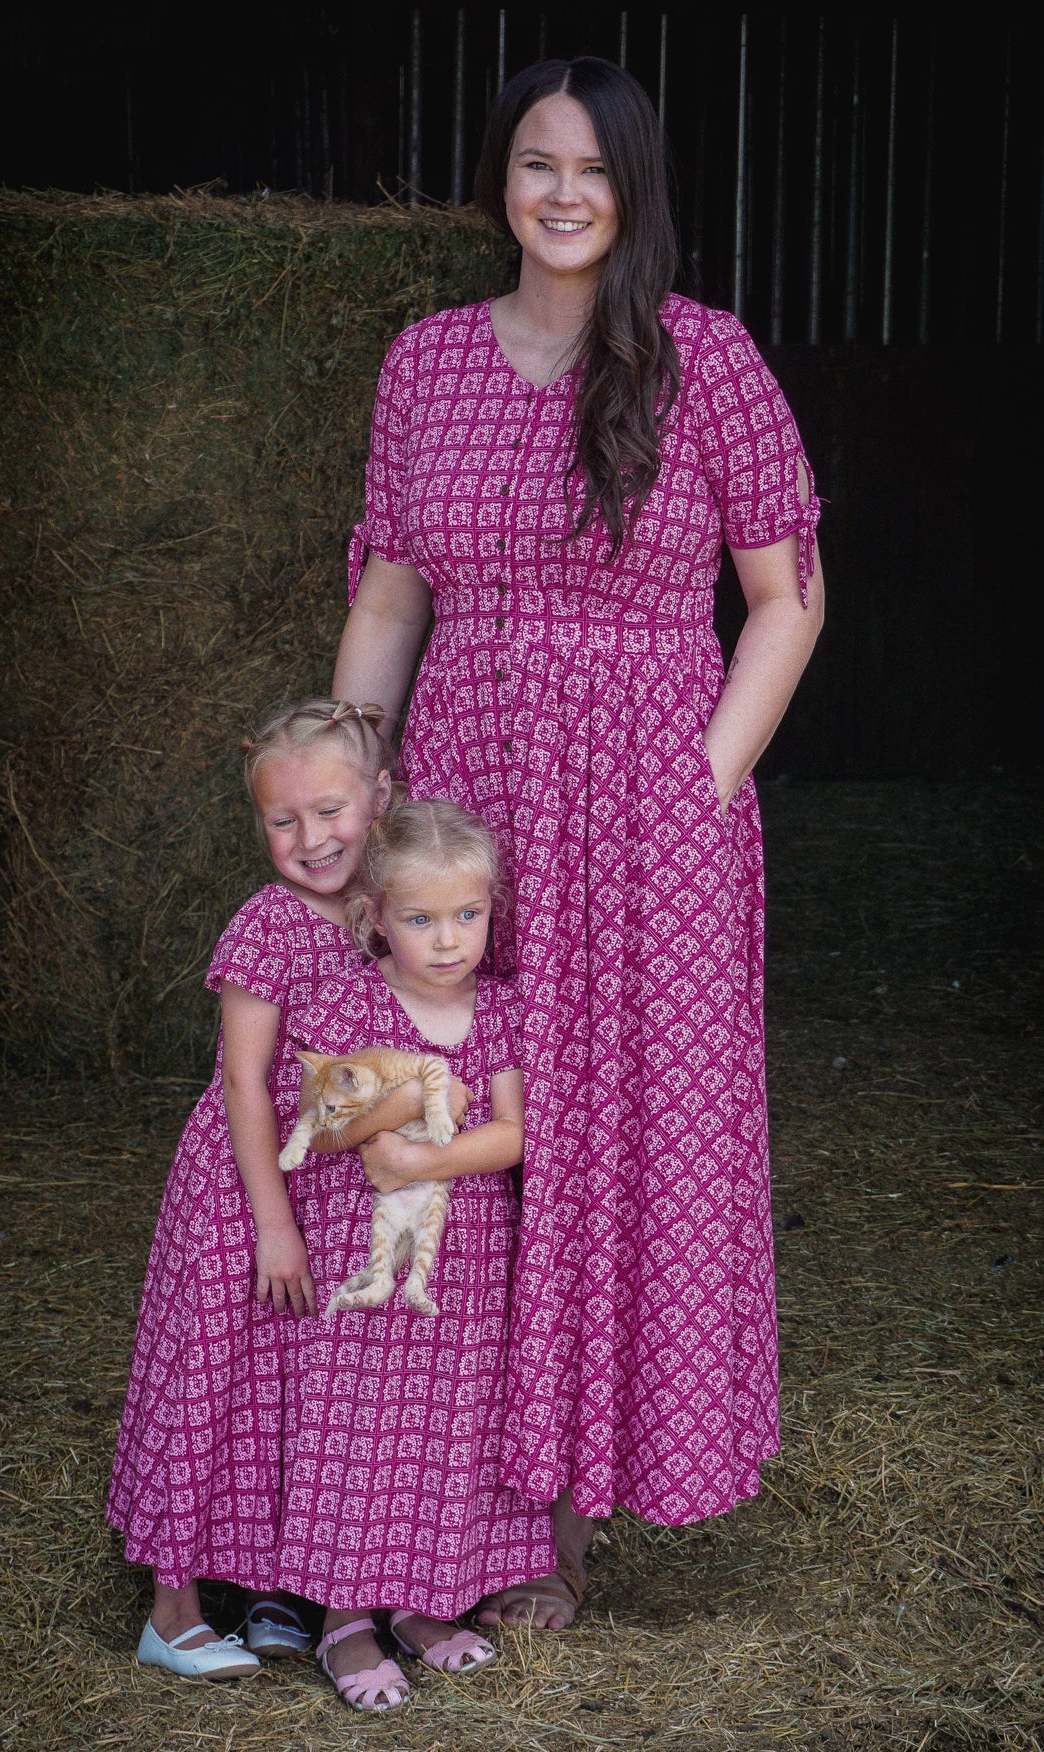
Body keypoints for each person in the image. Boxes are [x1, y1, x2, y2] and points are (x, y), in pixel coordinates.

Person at [332, 56, 825, 1631]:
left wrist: (701, 783)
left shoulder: (704, 360)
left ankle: (564, 1520)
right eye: (535, 164)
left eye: (592, 169)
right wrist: (352, 808)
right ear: (500, 180)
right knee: (462, 1112)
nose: (561, 194)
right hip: (464, 808)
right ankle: (446, 1504)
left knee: (615, 1140)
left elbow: (784, 600)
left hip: (648, 819)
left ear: (633, 189)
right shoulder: (424, 363)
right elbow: (390, 598)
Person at [108, 698, 455, 1678]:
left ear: (382, 798)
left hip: (327, 1188)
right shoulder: (267, 925)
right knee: (210, 1375)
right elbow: (244, 1083)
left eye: (330, 811)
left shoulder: (386, 913)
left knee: (285, 1385)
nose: (311, 839)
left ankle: (276, 1589)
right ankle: (170, 1612)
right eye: (283, 821)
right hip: (245, 1185)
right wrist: (272, 1223)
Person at [269, 799, 555, 1711]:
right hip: (362, 1257)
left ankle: (423, 1605)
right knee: (355, 1431)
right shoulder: (347, 1001)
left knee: (449, 1428)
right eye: (421, 919)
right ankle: (344, 1620)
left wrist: (422, 1159)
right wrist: (400, 1113)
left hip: (462, 1264)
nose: (447, 940)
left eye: (467, 915)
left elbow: (514, 1133)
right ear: (376, 917)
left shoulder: (499, 1009)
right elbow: (319, 1129)